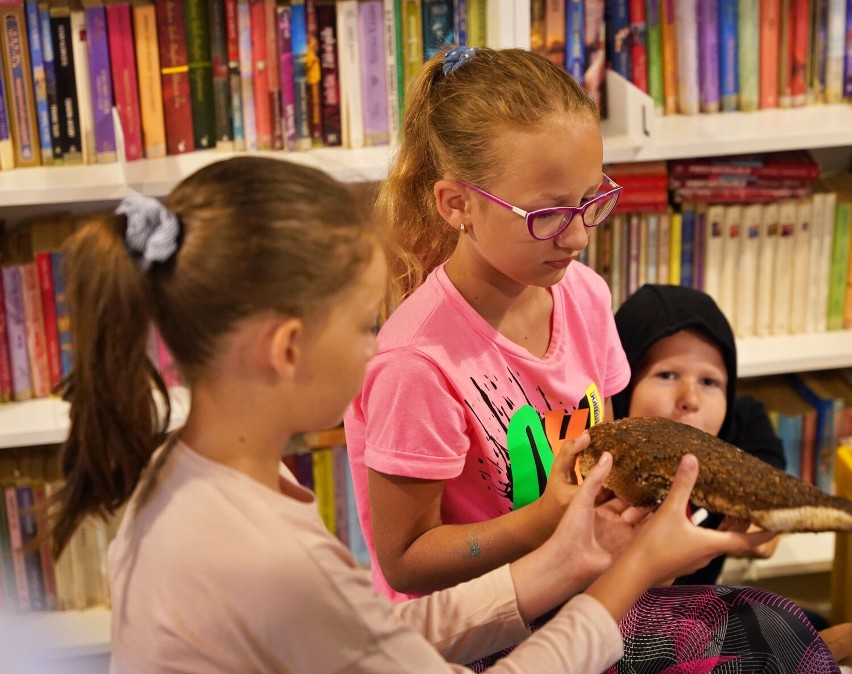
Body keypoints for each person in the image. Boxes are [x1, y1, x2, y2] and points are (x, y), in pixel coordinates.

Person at [42, 155, 773, 674]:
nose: (380, 346)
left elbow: (367, 634)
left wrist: (567, 559)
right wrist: (637, 568)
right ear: (288, 347)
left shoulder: (189, 474)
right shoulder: (270, 563)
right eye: (365, 325)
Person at [344, 45, 844, 672]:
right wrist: (546, 522)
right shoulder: (417, 362)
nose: (579, 236)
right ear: (457, 204)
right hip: (474, 638)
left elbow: (610, 458)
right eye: (549, 214)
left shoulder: (583, 294)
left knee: (777, 634)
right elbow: (407, 565)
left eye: (591, 200)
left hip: (581, 588)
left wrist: (674, 523)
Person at [611, 283, 786, 586]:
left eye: (709, 381)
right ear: (621, 385)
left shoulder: (739, 425)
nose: (690, 398)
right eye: (667, 375)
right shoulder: (598, 475)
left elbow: (770, 478)